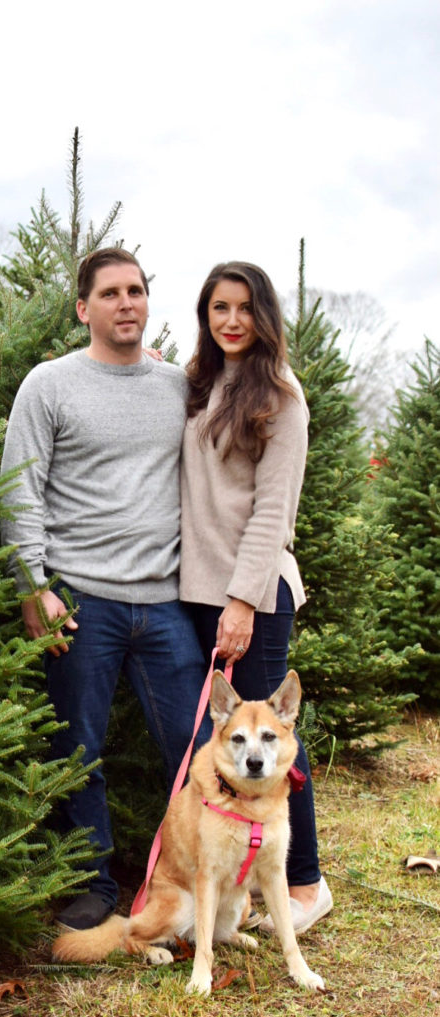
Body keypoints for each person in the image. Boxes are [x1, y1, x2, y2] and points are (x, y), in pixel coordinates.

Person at [0, 248, 206, 931]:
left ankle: (200, 883)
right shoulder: (48, 385)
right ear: (84, 308)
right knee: (76, 747)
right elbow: (19, 489)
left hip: (164, 601)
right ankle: (93, 885)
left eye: (137, 290)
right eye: (111, 293)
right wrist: (34, 586)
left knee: (197, 746)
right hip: (80, 601)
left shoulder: (180, 386)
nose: (127, 303)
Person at [180, 260, 333, 934]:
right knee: (222, 743)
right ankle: (236, 877)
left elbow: (273, 511)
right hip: (194, 587)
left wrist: (241, 602)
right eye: (218, 308)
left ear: (263, 316)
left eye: (243, 308)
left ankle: (305, 885)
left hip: (253, 594)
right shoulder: (203, 383)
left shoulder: (279, 395)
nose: (230, 320)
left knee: (267, 742)